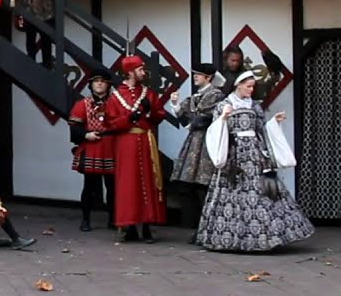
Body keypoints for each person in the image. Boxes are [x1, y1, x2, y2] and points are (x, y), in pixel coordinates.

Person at [197, 71, 314, 252]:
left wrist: (274, 123)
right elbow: (216, 131)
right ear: (238, 85)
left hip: (255, 154)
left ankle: (266, 238)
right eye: (248, 86)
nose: (251, 90)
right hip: (234, 155)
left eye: (253, 87)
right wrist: (223, 118)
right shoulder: (224, 105)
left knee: (263, 192)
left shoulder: (255, 106)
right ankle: (232, 238)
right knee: (233, 193)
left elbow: (261, 130)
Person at [105, 54, 167, 242]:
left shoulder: (148, 93)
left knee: (148, 181)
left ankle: (147, 226)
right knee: (128, 183)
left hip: (145, 140)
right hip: (126, 142)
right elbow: (110, 123)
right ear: (131, 72)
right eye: (140, 69)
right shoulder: (116, 96)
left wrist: (150, 111)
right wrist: (128, 119)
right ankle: (130, 226)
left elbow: (159, 116)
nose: (143, 72)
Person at [166, 62, 226, 241]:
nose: (195, 77)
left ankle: (208, 227)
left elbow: (205, 117)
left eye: (198, 74)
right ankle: (198, 226)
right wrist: (175, 104)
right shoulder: (196, 96)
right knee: (192, 184)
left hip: (208, 141)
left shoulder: (215, 95)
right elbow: (183, 117)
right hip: (195, 142)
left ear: (208, 77)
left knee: (204, 185)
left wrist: (193, 121)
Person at [67, 65, 115, 232]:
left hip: (111, 147)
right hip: (92, 146)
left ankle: (113, 219)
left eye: (103, 81)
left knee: (112, 186)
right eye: (96, 81)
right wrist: (86, 135)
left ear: (108, 84)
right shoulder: (82, 104)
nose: (99, 84)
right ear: (91, 84)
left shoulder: (116, 103)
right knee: (89, 186)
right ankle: (86, 219)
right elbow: (74, 127)